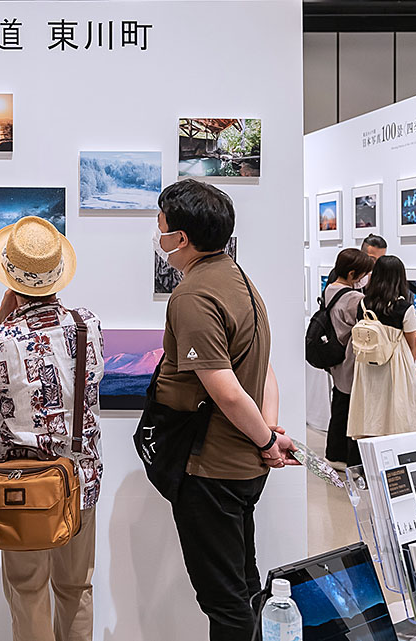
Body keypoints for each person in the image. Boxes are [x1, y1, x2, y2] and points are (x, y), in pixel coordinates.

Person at [151, 179, 298, 641]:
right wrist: (269, 434)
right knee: (244, 585)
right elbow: (264, 368)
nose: (158, 237)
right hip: (244, 467)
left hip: (210, 469)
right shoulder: (240, 280)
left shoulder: (194, 296)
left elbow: (226, 390)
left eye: (161, 228)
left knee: (224, 602)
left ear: (182, 238)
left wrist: (268, 439)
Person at [0, 216, 104, 641]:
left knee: (27, 591)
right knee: (76, 587)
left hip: (22, 485)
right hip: (80, 478)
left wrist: (2, 318)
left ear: (10, 277)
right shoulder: (88, 325)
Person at [348, 255, 416, 440]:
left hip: (368, 364)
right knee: (397, 415)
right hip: (396, 365)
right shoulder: (404, 307)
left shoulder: (364, 304)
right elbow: (411, 342)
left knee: (372, 409)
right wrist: (411, 359)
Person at [322, 249, 375, 468]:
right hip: (351, 359)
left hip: (336, 357)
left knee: (339, 405)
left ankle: (334, 454)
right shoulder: (354, 298)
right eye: (363, 274)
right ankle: (348, 457)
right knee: (351, 410)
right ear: (353, 274)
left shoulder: (330, 289)